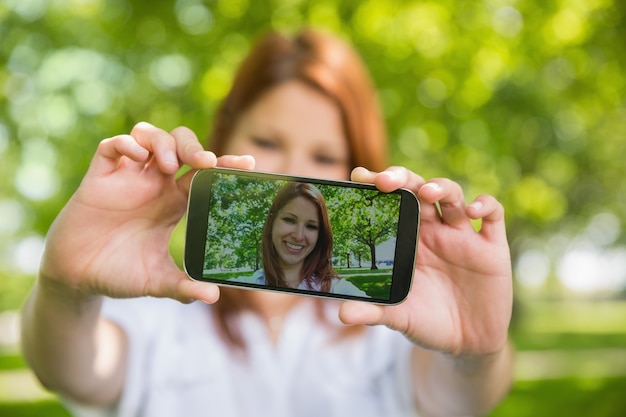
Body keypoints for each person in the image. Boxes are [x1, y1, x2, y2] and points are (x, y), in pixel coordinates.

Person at [21, 28, 513, 417]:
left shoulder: (384, 321)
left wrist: (477, 353)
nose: (293, 171)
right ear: (224, 135)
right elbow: (73, 368)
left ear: (356, 172)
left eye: (324, 154)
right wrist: (65, 288)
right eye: (269, 141)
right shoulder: (160, 311)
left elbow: (459, 400)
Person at [228, 181, 368, 297]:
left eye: (311, 226)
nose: (298, 235)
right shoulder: (242, 287)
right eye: (289, 220)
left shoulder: (335, 289)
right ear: (272, 222)